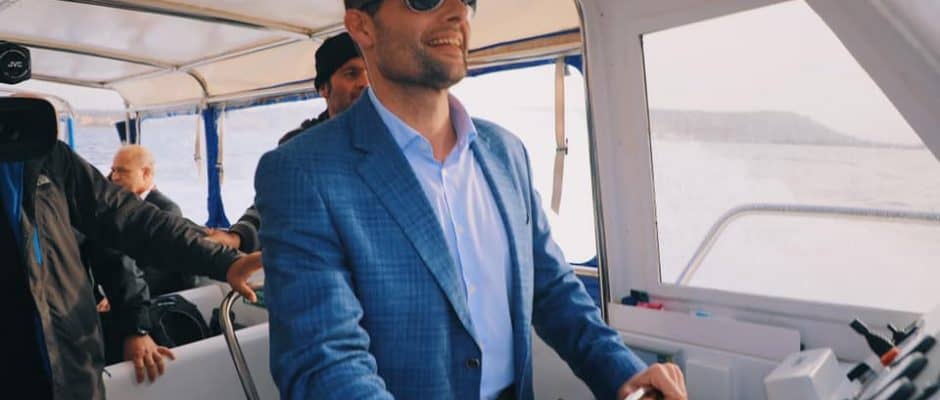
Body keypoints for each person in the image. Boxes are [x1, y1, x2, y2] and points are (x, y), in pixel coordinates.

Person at [254, 1, 688, 399]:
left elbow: (552, 289)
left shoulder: (506, 153)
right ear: (362, 26)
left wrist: (623, 372)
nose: (457, 12)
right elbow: (325, 362)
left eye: (467, 0)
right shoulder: (302, 172)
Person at [0, 100, 260, 400]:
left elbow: (129, 221)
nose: (114, 176)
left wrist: (223, 261)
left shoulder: (43, 156)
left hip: (68, 364)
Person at [206, 32, 369, 252]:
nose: (365, 83)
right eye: (351, 74)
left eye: (372, 73)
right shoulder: (299, 150)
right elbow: (274, 206)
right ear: (324, 88)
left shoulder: (400, 140)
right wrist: (237, 237)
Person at [110, 145, 196, 296]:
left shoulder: (166, 210)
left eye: (123, 171)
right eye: (113, 170)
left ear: (146, 173)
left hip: (156, 295)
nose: (114, 177)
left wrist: (122, 293)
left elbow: (159, 268)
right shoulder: (116, 207)